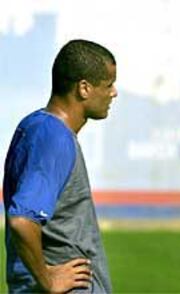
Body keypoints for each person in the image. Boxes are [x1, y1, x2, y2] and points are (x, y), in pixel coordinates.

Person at [3, 39, 117, 293]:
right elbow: (22, 220)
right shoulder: (53, 137)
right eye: (108, 84)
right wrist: (48, 280)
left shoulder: (39, 127)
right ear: (84, 88)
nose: (114, 92)